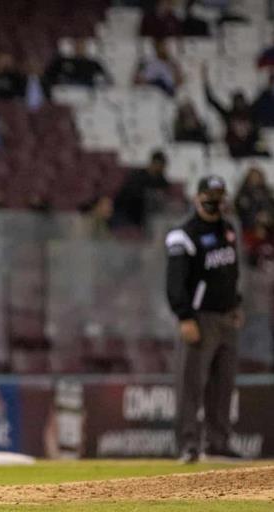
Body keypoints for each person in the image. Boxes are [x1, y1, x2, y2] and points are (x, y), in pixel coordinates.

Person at [165, 176, 244, 463]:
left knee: (223, 385)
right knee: (191, 384)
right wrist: (184, 316)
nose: (216, 200)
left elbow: (231, 272)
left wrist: (236, 303)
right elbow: (175, 282)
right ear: (198, 197)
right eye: (210, 194)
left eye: (220, 195)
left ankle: (218, 442)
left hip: (227, 316)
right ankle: (188, 444)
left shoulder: (228, 229)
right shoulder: (183, 234)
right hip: (200, 318)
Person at [205, 67, 267, 158]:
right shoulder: (229, 115)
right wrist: (205, 83)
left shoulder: (251, 112)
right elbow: (212, 101)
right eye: (237, 101)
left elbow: (261, 98)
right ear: (234, 102)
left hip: (251, 147)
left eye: (241, 101)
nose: (240, 104)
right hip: (235, 150)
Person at [112, 150, 170, 231]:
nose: (160, 168)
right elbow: (130, 194)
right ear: (153, 163)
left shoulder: (161, 180)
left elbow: (163, 195)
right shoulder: (138, 175)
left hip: (144, 215)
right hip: (125, 211)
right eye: (159, 164)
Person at [43, 38, 112, 97]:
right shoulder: (59, 62)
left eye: (81, 46)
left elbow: (102, 74)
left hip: (87, 89)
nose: (78, 49)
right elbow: (49, 78)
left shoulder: (91, 62)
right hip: (70, 91)